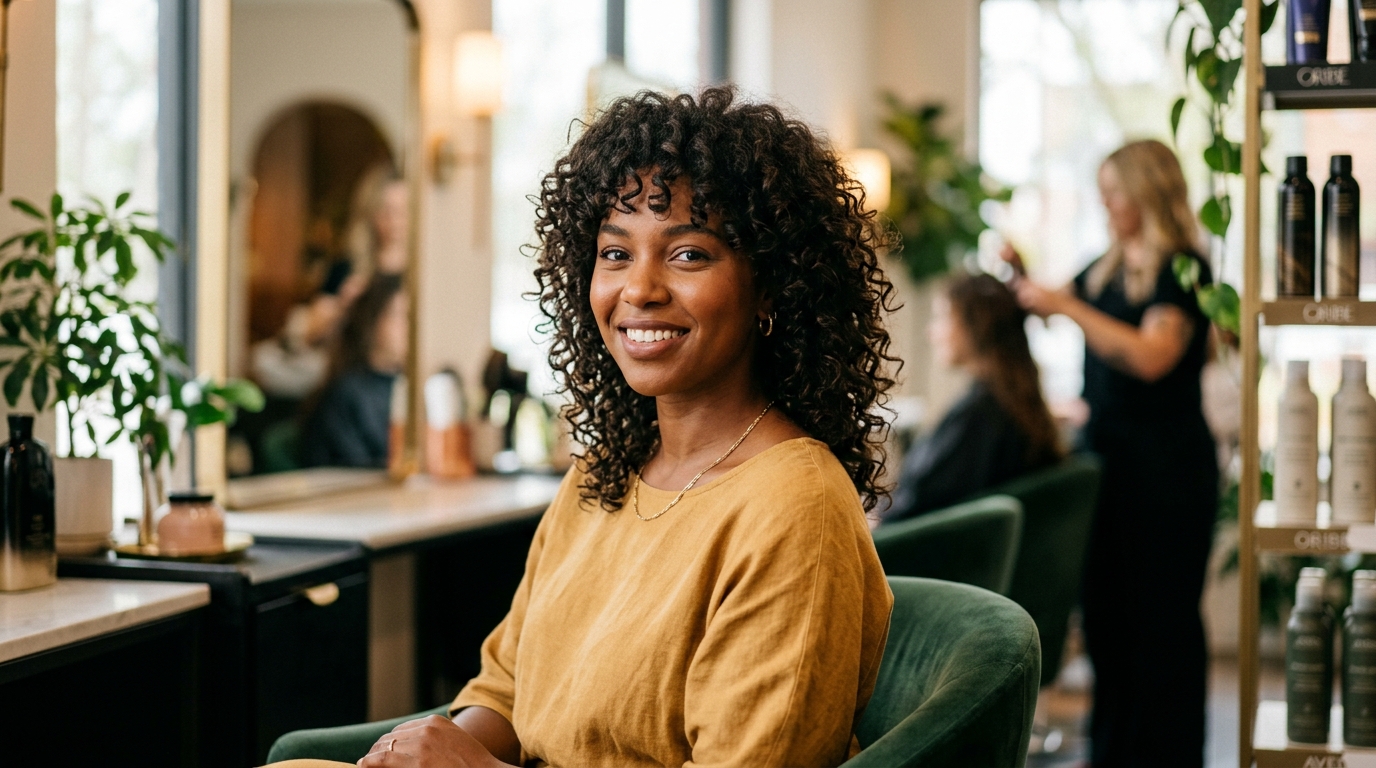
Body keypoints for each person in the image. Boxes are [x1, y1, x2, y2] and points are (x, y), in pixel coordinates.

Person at [357, 87, 897, 768]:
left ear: (771, 286)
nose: (638, 289)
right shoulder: (602, 473)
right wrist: (430, 748)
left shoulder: (795, 508)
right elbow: (506, 690)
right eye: (615, 254)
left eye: (688, 254)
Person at [1003, 139, 1218, 768]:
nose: (1104, 203)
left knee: (1162, 628)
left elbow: (1152, 357)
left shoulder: (1184, 270)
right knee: (1109, 623)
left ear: (1146, 194)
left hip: (1169, 473)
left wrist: (1066, 306)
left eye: (1113, 192)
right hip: (1109, 469)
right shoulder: (1106, 268)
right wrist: (1024, 279)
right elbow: (1048, 307)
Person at [880, 272, 1063, 523]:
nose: (931, 331)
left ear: (976, 325)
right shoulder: (1016, 403)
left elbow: (915, 505)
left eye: (943, 317)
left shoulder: (981, 416)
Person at [299, 273, 408, 468]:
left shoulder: (407, 387)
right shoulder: (346, 393)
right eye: (398, 315)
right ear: (373, 320)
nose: (407, 327)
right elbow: (356, 469)